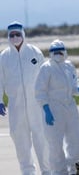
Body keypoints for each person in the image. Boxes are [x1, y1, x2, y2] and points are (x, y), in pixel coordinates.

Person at [0, 21, 50, 175]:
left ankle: (47, 170)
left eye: (18, 34)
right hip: (16, 105)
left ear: (23, 35)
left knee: (42, 137)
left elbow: (45, 77)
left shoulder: (35, 52)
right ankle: (27, 171)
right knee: (20, 138)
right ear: (8, 37)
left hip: (36, 103)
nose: (15, 37)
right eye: (12, 35)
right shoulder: (4, 57)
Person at [35, 39, 79, 175]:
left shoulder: (69, 66)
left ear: (65, 52)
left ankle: (73, 170)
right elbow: (40, 91)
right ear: (50, 53)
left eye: (60, 51)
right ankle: (59, 171)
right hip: (54, 108)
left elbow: (73, 86)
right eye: (55, 52)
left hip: (70, 107)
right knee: (55, 144)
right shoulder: (46, 67)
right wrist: (46, 109)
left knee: (75, 140)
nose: (58, 54)